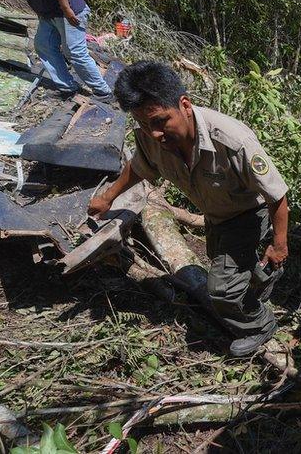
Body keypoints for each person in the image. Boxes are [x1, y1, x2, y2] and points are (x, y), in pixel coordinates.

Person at [87, 61, 289, 356]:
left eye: (160, 121)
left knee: (222, 289)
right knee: (224, 265)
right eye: (144, 125)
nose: (154, 133)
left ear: (185, 105)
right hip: (215, 213)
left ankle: (260, 324)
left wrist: (279, 245)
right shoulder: (150, 137)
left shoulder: (232, 141)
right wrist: (108, 197)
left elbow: (277, 195)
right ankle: (255, 278)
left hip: (248, 213)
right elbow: (139, 168)